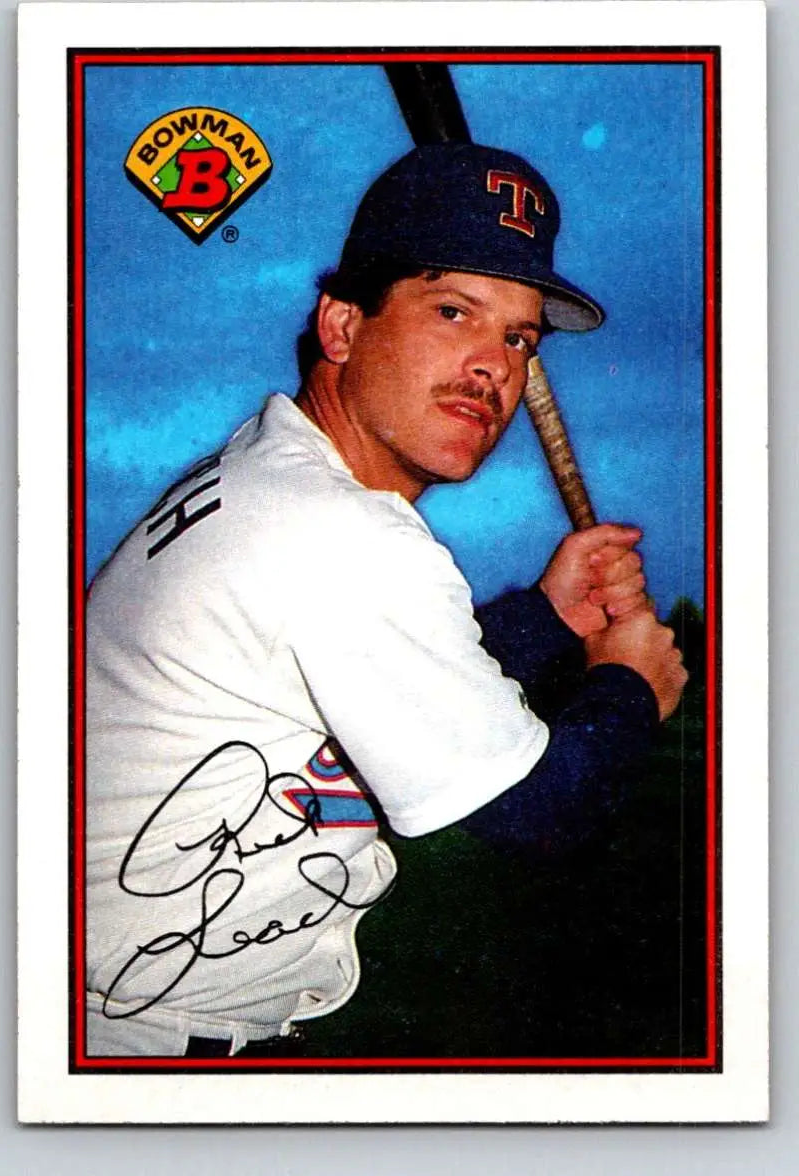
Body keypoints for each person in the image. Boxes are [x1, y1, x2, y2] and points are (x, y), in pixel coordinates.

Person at [85, 142, 687, 1057]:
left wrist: (551, 619)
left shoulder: (267, 472)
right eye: (454, 312)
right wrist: (631, 684)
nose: (493, 366)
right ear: (342, 327)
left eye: (518, 337)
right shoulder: (345, 535)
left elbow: (367, 686)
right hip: (130, 1049)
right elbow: (538, 812)